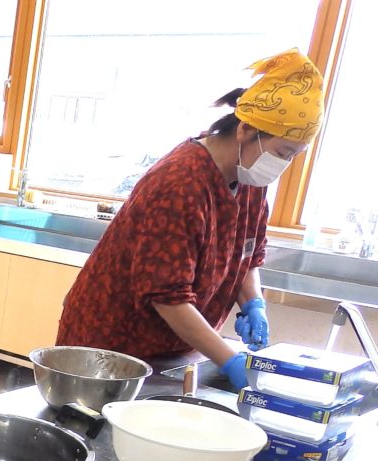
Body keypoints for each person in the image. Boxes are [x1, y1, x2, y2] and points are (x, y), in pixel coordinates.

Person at [56, 49, 324, 390]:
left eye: (294, 156)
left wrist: (253, 303)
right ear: (245, 131)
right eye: (283, 153)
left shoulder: (250, 179)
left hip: (172, 350)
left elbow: (247, 254)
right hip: (112, 346)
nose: (284, 165)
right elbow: (168, 296)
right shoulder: (180, 182)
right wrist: (229, 359)